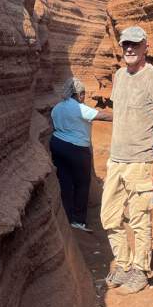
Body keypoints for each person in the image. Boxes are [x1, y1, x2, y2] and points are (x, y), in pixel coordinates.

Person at [102, 25, 153, 295]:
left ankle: (140, 271)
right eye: (125, 45)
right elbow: (119, 115)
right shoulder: (119, 75)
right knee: (109, 216)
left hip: (142, 163)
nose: (129, 49)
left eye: (134, 44)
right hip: (116, 161)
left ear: (146, 47)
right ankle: (122, 264)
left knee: (140, 219)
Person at [50, 77, 112, 232]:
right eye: (83, 93)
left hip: (57, 145)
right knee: (82, 184)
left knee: (65, 182)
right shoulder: (78, 107)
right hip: (77, 149)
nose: (84, 96)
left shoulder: (57, 107)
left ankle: (67, 216)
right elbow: (101, 116)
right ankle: (78, 221)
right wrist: (123, 116)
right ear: (77, 94)